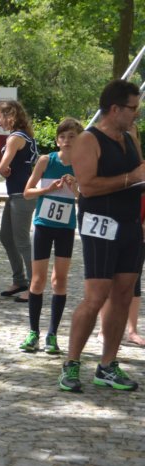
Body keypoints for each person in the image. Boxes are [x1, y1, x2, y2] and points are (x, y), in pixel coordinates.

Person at [59, 80, 143, 393]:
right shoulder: (87, 140)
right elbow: (88, 187)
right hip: (100, 224)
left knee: (123, 295)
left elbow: (140, 175)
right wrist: (130, 178)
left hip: (130, 224)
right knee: (96, 297)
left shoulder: (131, 136)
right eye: (133, 108)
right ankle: (71, 363)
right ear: (115, 109)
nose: (136, 113)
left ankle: (107, 365)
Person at [18, 118, 82, 354]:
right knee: (38, 280)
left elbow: (85, 197)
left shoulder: (82, 165)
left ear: (80, 140)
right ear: (57, 140)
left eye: (72, 137)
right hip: (43, 225)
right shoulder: (46, 160)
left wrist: (75, 187)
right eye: (63, 137)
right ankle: (33, 332)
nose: (67, 141)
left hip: (66, 228)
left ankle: (52, 335)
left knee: (60, 280)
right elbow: (27, 192)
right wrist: (48, 189)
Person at [97, 125, 145, 348]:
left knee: (133, 282)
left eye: (131, 134)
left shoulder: (141, 167)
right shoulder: (110, 164)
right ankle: (103, 328)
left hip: (137, 230)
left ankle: (132, 330)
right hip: (111, 228)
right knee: (105, 280)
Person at [0, 100, 38, 303]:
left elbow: (2, 166)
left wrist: (2, 169)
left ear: (10, 117)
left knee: (22, 241)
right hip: (16, 195)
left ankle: (34, 286)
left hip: (22, 195)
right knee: (6, 236)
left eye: (0, 116)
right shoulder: (25, 136)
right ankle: (19, 280)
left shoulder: (14, 138)